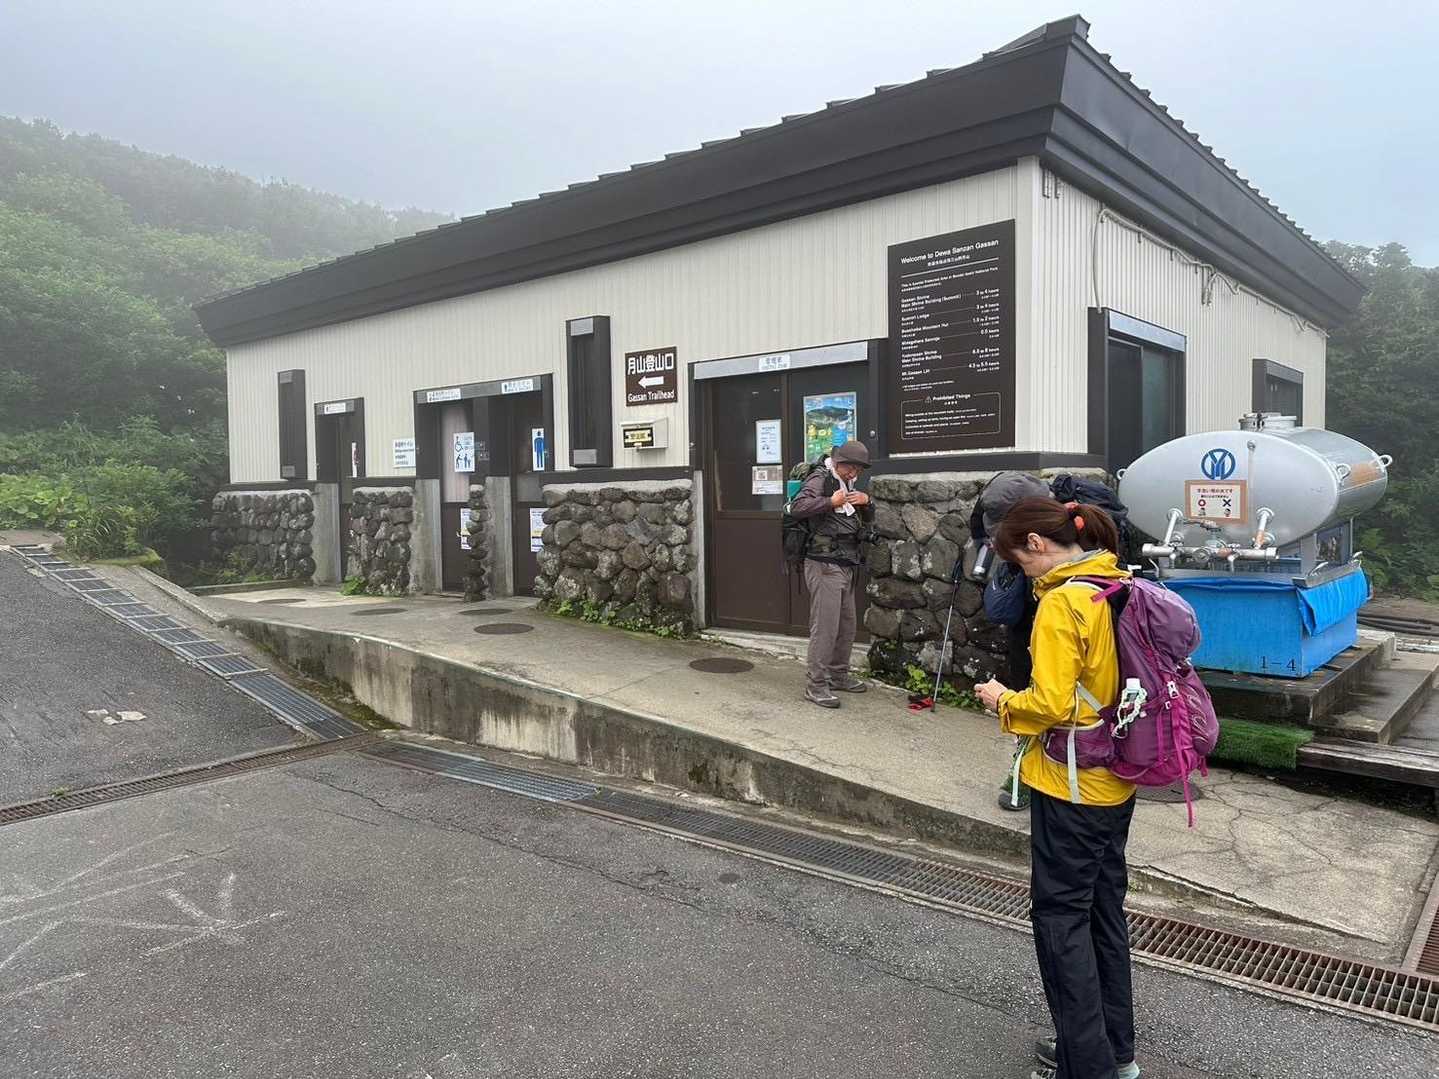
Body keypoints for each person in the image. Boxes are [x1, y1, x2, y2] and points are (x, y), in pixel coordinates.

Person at [973, 498, 1141, 1079]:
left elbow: (1048, 704)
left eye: (1020, 562)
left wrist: (1002, 700)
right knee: (1103, 913)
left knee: (1060, 921)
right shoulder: (1116, 583)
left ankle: (1085, 1065)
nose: (1022, 574)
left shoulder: (1063, 602)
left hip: (1070, 785)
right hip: (1117, 777)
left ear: (1037, 545)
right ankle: (1115, 1054)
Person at [789, 440, 874, 708]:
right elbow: (798, 507)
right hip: (824, 563)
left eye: (858, 469)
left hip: (846, 562)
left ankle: (838, 675)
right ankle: (816, 685)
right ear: (838, 463)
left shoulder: (847, 483)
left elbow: (862, 518)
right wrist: (830, 501)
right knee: (825, 627)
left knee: (847, 624)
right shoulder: (820, 478)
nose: (854, 473)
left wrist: (867, 501)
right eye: (851, 468)